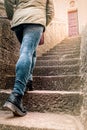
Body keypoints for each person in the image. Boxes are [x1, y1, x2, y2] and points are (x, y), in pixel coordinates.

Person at [3, 0, 54, 116]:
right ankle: (16, 95)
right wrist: (43, 22)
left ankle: (28, 80)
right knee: (27, 51)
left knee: (30, 51)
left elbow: (8, 1)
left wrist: (13, 16)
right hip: (36, 19)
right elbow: (50, 11)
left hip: (18, 21)